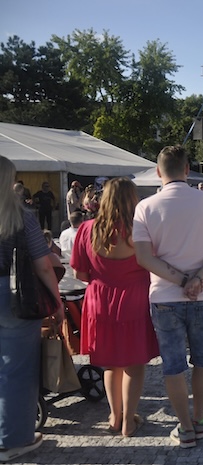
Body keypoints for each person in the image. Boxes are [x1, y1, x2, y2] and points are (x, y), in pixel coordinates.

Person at [133, 145, 203, 448]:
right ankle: (200, 417)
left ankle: (185, 427)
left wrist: (181, 280)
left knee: (173, 364)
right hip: (201, 295)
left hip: (164, 296)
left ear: (158, 172)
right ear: (187, 169)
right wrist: (198, 279)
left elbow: (143, 257)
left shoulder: (145, 207)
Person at [71, 178, 159, 437]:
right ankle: (129, 421)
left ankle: (114, 416)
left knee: (110, 364)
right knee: (134, 363)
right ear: (133, 199)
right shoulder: (142, 230)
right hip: (134, 299)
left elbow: (80, 274)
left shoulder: (87, 229)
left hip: (99, 300)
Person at [0, 156, 62, 462]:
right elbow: (44, 265)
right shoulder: (21, 216)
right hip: (14, 295)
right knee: (17, 370)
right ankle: (13, 439)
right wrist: (58, 303)